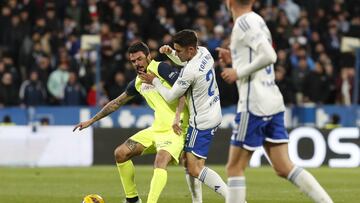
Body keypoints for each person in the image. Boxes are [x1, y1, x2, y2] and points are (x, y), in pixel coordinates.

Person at [217, 0, 333, 203]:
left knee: (234, 167)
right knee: (283, 166)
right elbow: (260, 58)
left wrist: (238, 71)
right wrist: (235, 61)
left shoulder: (244, 23)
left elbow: (270, 56)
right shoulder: (258, 20)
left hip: (253, 104)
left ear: (229, 2)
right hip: (272, 100)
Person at [73, 42, 189, 203]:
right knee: (120, 153)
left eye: (140, 59)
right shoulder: (138, 82)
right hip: (157, 129)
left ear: (149, 56)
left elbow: (183, 89)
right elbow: (116, 103)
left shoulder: (161, 68)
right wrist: (91, 120)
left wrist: (177, 116)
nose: (137, 63)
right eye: (133, 61)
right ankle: (133, 200)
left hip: (176, 128)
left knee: (160, 161)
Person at [140, 29, 228, 202]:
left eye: (178, 50)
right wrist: (172, 53)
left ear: (190, 50)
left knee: (194, 168)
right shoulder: (204, 52)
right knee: (189, 164)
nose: (177, 53)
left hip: (201, 121)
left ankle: (235, 198)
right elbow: (184, 60)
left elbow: (170, 96)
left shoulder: (190, 72)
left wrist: (154, 81)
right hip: (214, 111)